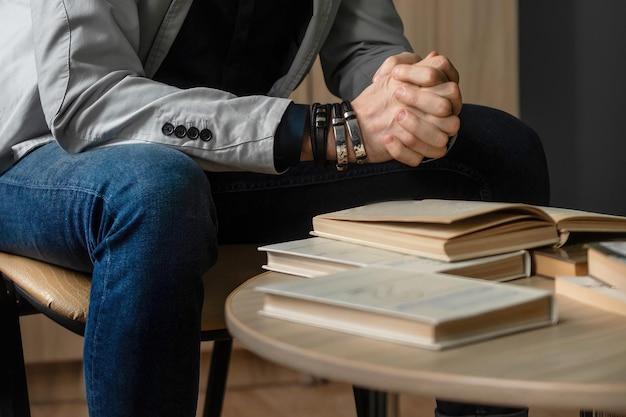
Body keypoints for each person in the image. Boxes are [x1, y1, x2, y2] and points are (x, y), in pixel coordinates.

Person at [0, 1, 548, 417]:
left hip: (227, 161)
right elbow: (88, 99)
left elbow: (364, 46)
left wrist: (404, 94)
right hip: (42, 155)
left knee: (498, 152)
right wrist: (328, 130)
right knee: (158, 188)